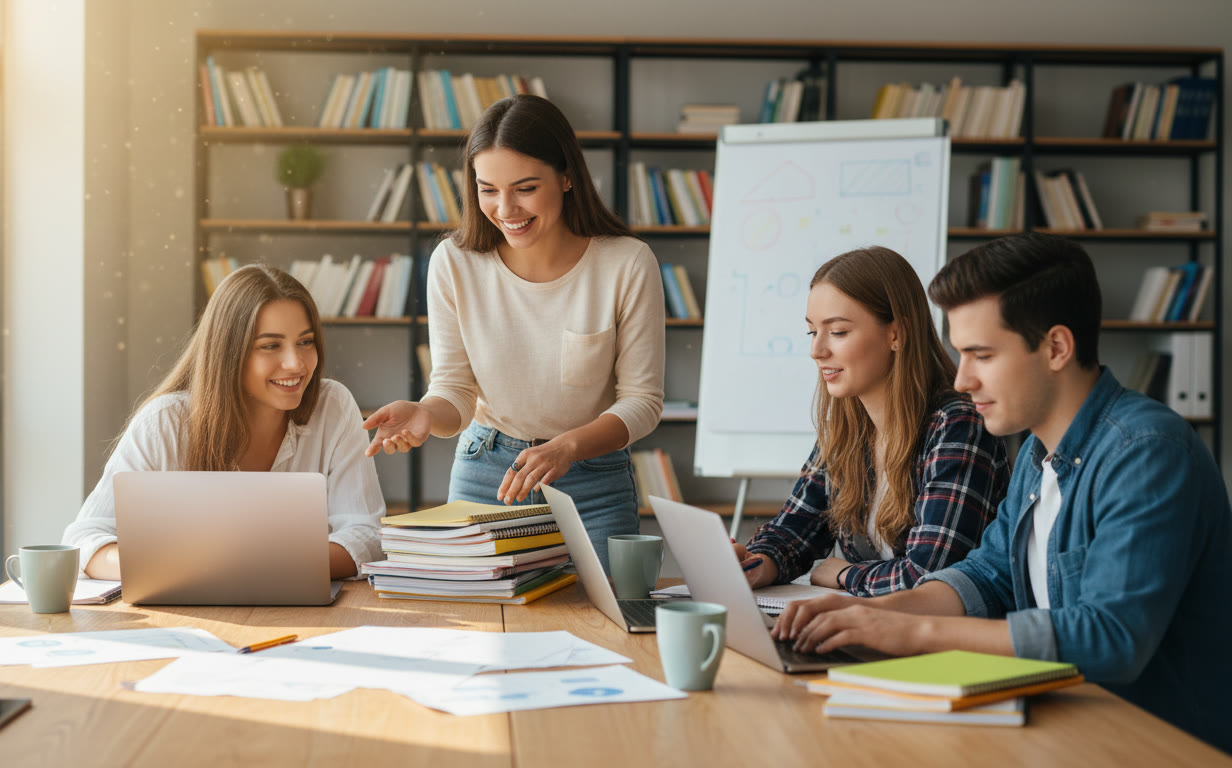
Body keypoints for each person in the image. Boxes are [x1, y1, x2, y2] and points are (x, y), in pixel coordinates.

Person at [777, 233, 1232, 753]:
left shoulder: (1147, 451)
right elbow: (987, 577)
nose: (963, 379)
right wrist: (875, 615)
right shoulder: (1039, 457)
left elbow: (1111, 637)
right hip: (1066, 731)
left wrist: (911, 634)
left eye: (982, 355)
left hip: (1154, 745)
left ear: (1056, 348)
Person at [361, 94, 664, 571]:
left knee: (605, 631)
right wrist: (424, 412)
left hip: (593, 479)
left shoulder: (626, 263)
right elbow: (455, 392)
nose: (505, 209)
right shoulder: (454, 263)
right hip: (488, 471)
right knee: (478, 636)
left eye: (525, 188)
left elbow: (643, 401)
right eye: (488, 189)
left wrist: (568, 446)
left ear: (567, 177)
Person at [62, 264, 385, 580]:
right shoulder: (165, 423)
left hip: (302, 609)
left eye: (305, 341)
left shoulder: (332, 405)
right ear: (228, 352)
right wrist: (173, 567)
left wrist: (250, 567)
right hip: (186, 611)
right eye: (270, 346)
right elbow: (84, 539)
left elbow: (366, 534)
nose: (295, 363)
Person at [733, 246, 1010, 595]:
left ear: (895, 334)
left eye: (837, 332)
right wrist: (756, 564)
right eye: (811, 332)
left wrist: (845, 575)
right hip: (874, 629)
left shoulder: (958, 427)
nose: (816, 350)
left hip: (939, 639)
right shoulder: (848, 429)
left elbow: (929, 577)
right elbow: (794, 530)